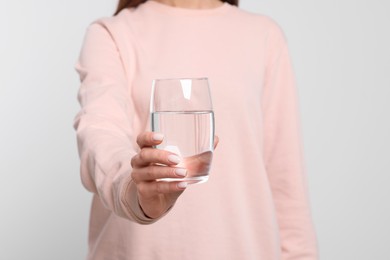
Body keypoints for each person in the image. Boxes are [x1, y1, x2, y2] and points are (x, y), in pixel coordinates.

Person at [73, 0, 319, 259]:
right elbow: (100, 134)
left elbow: (286, 185)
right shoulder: (111, 33)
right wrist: (135, 192)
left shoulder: (265, 36)